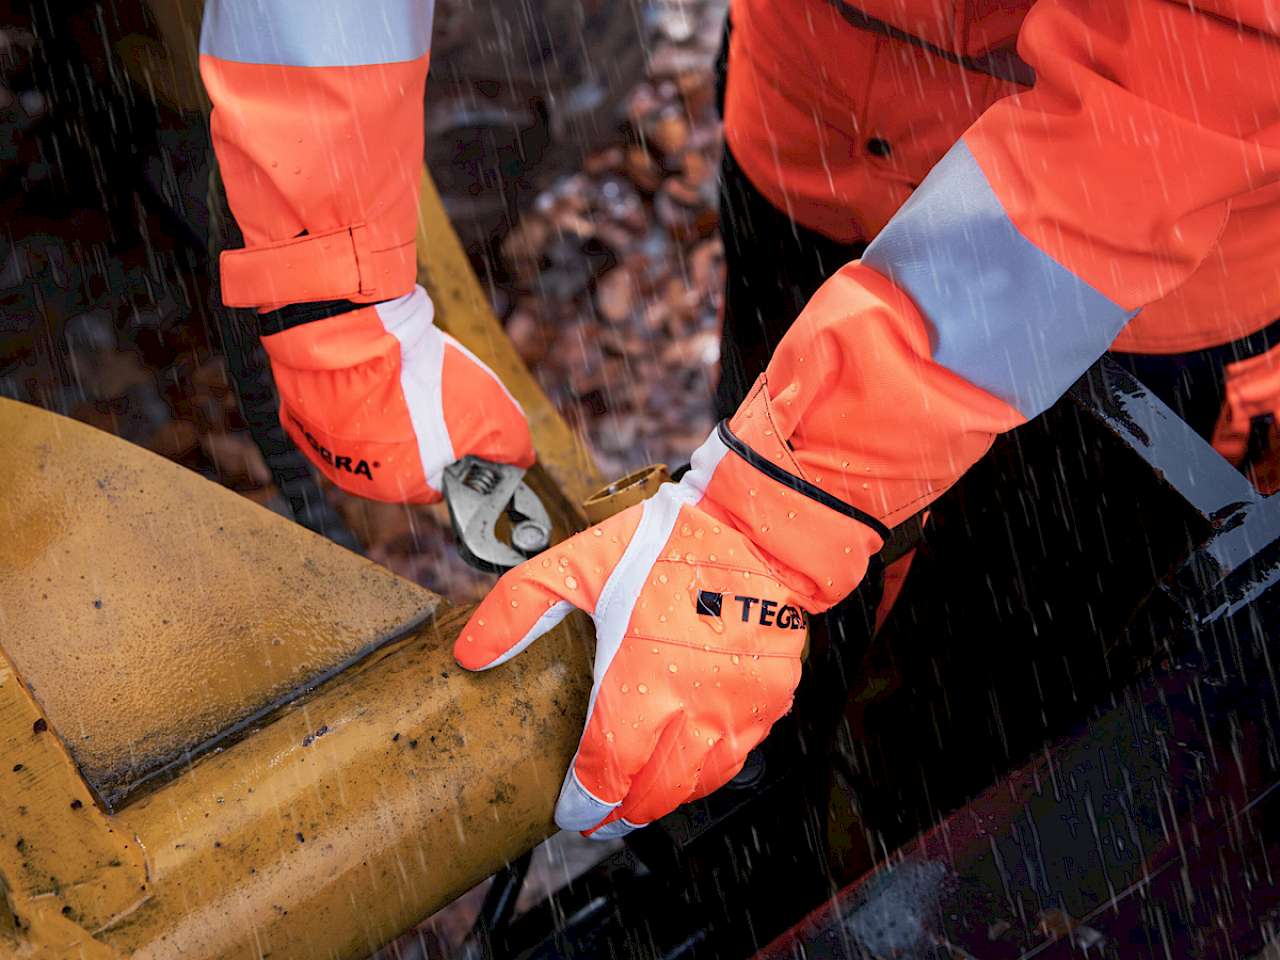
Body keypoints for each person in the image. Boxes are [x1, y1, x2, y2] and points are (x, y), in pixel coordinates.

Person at [199, 0, 1280, 841]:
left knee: (997, 713)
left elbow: (1191, 79)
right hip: (815, 130)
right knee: (756, 629)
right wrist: (326, 276)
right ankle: (762, 810)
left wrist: (770, 519)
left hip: (1123, 288)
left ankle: (895, 840)